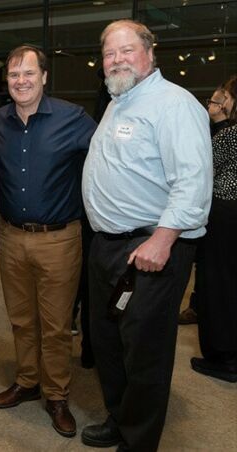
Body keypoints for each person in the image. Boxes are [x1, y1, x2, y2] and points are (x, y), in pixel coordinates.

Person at [82, 20, 212, 451]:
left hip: (151, 248)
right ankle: (120, 418)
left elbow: (193, 180)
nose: (117, 60)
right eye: (109, 53)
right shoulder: (120, 101)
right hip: (109, 246)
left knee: (144, 350)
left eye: (126, 50)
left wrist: (163, 238)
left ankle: (138, 440)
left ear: (150, 54)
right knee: (108, 342)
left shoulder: (173, 104)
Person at [0, 45, 97, 438]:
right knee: (20, 318)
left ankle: (57, 394)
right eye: (14, 76)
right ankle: (28, 381)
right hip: (11, 236)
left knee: (55, 324)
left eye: (28, 74)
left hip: (59, 239)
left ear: (44, 77)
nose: (21, 82)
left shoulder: (74, 119)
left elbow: (108, 161)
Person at [191, 75, 237, 383]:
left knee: (218, 285)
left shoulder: (229, 134)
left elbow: (200, 166)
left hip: (224, 213)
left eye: (221, 97)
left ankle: (226, 357)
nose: (214, 102)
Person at [179, 85, 233, 325]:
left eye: (217, 100)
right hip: (221, 209)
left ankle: (222, 349)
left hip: (223, 211)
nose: (209, 105)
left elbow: (204, 170)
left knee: (217, 274)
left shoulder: (227, 134)